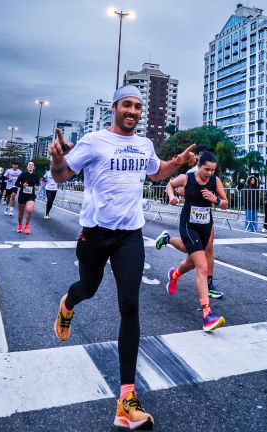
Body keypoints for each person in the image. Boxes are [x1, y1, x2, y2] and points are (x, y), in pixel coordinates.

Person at [49, 85, 196, 431]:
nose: (133, 111)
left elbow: (156, 171)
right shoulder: (94, 140)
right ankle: (68, 304)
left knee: (129, 306)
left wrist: (176, 163)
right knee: (88, 287)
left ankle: (126, 400)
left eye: (137, 106)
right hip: (95, 234)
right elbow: (61, 175)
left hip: (130, 235)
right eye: (127, 105)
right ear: (115, 108)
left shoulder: (144, 144)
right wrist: (56, 158)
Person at [164, 151, 229, 332]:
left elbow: (225, 202)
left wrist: (215, 199)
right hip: (188, 225)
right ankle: (207, 316)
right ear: (199, 166)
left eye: (212, 170)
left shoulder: (214, 181)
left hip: (205, 226)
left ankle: (174, 275)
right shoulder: (187, 178)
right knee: (202, 266)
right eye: (206, 169)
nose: (209, 173)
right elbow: (170, 184)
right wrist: (172, 197)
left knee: (191, 260)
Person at [14, 161, 40, 234]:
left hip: (31, 195)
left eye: (32, 165)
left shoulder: (36, 175)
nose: (31, 166)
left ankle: (26, 225)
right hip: (22, 195)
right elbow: (16, 183)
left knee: (29, 210)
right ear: (27, 167)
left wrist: (36, 187)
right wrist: (22, 185)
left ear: (34, 167)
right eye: (29, 165)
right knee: (21, 213)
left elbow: (37, 183)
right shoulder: (22, 174)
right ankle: (19, 225)